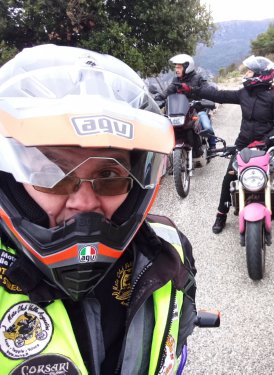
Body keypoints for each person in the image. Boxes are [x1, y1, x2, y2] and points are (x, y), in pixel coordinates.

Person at [0, 44, 199, 374]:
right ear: (9, 180)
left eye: (109, 175)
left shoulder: (169, 249)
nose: (85, 202)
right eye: (51, 174)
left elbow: (181, 331)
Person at [189, 55, 274, 234]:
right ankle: (221, 214)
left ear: (259, 75)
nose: (246, 74)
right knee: (230, 174)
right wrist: (195, 89)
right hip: (244, 142)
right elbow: (220, 95)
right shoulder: (244, 93)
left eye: (249, 71)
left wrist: (266, 141)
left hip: (268, 143)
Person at [158, 53, 216, 149]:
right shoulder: (176, 80)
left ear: (187, 67)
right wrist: (158, 97)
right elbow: (168, 91)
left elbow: (207, 90)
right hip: (181, 111)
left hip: (197, 110)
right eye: (176, 67)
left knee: (206, 126)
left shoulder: (198, 78)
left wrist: (194, 90)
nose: (176, 70)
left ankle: (212, 146)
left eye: (179, 67)